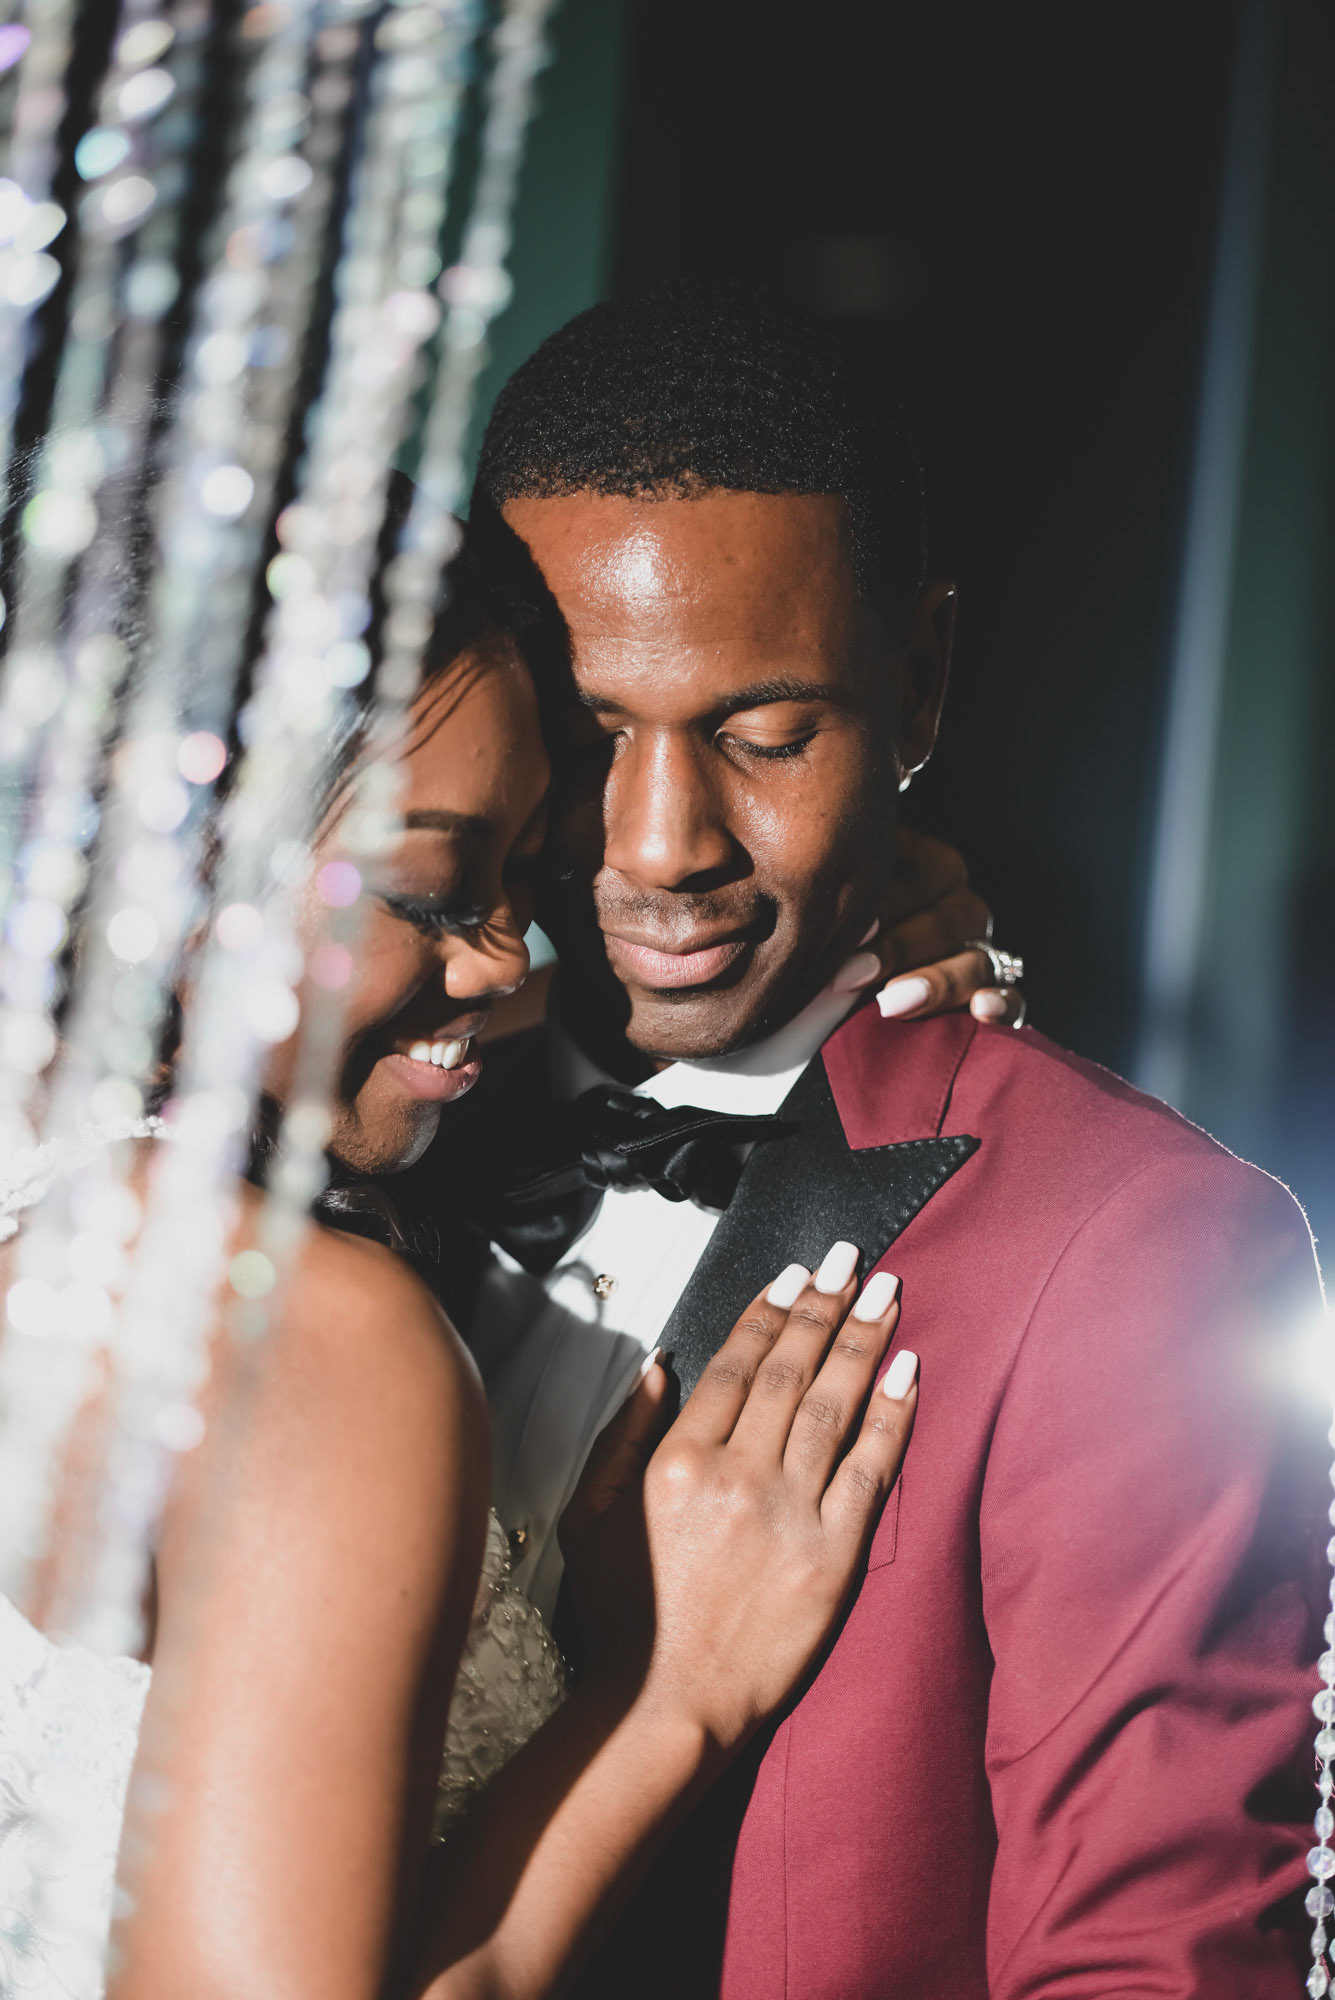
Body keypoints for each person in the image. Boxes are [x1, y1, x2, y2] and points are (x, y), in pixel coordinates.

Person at [436, 280, 1328, 1997]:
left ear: (916, 688)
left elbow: (1158, 1964)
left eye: (767, 735)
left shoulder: (1131, 1250)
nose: (662, 840)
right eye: (586, 732)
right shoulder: (362, 1132)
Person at [0, 530, 998, 2000]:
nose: (506, 959)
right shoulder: (307, 1339)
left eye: (527, 874)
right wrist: (668, 1695)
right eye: (431, 895)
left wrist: (836, 920)